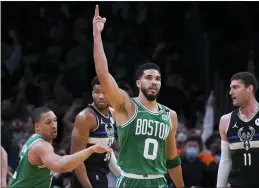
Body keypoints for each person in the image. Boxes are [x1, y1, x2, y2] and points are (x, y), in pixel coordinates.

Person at [92, 5, 184, 188]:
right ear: (138, 83)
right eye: (148, 78)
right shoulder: (126, 105)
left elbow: (172, 159)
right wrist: (97, 36)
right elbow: (103, 75)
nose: (154, 82)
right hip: (131, 180)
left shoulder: (170, 115)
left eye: (157, 78)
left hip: (158, 181)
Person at [9, 107, 112, 188]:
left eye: (55, 121)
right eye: (48, 122)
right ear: (37, 127)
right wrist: (91, 150)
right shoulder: (41, 146)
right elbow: (61, 165)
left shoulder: (34, 140)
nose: (54, 125)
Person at [217, 72, 259, 188]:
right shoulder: (225, 120)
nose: (230, 92)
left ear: (249, 89)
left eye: (236, 87)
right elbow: (225, 160)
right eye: (230, 88)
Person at [70, 77, 121, 188]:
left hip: (101, 174)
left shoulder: (112, 114)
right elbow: (76, 158)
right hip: (85, 177)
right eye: (97, 92)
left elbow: (108, 151)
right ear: (92, 93)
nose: (101, 96)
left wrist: (121, 177)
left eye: (105, 92)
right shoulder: (86, 117)